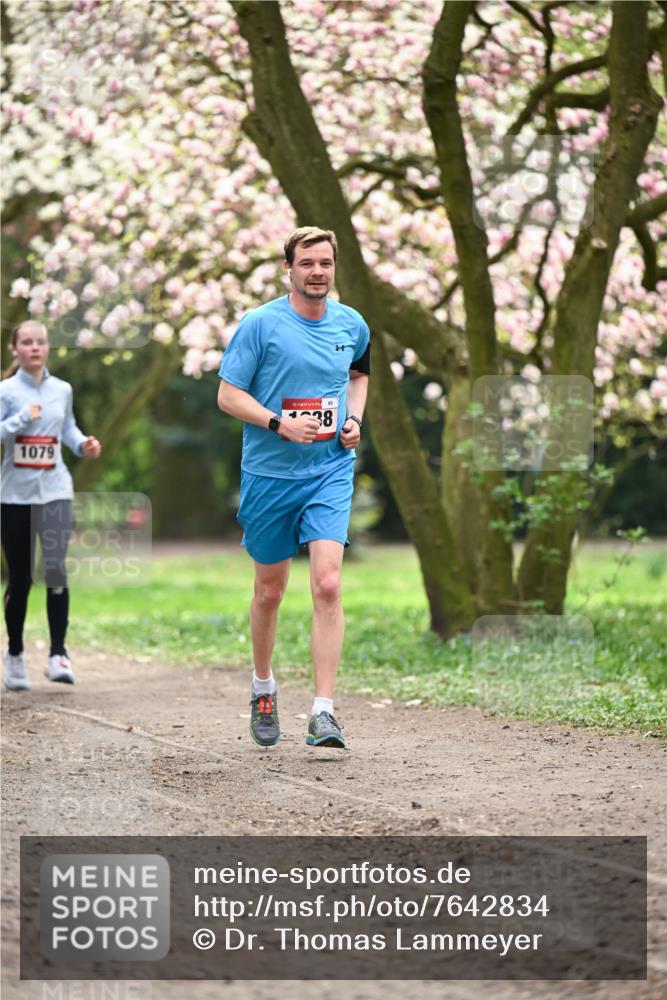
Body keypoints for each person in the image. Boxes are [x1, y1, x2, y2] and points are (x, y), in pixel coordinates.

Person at [218, 227, 371, 749]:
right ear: (289, 267)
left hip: (329, 471)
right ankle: (263, 689)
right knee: (269, 592)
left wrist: (353, 420)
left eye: (325, 263)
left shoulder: (352, 323)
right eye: (307, 263)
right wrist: (278, 423)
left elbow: (359, 373)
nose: (317, 272)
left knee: (327, 585)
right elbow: (227, 395)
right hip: (270, 476)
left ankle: (324, 712)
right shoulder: (261, 325)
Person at [1, 321, 101, 690]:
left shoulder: (62, 389)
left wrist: (83, 445)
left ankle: (58, 653)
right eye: (26, 343)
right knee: (22, 577)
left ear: (47, 348)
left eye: (40, 342)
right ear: (16, 350)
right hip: (15, 496)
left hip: (56, 491)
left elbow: (69, 430)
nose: (34, 348)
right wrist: (23, 417)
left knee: (56, 571)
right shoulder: (7, 390)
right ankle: (14, 655)